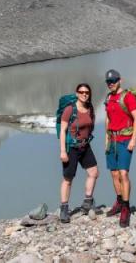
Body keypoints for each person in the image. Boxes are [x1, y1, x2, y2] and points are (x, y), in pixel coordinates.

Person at [103, 68, 136, 227]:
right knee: (114, 173)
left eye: (113, 81)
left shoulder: (128, 97)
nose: (111, 84)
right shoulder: (109, 98)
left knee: (123, 173)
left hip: (125, 139)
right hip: (112, 139)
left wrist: (133, 139)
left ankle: (125, 207)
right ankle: (118, 201)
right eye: (108, 82)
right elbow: (108, 118)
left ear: (120, 80)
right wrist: (106, 137)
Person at [59, 83, 98, 223]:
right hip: (72, 148)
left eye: (87, 92)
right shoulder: (70, 110)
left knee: (93, 172)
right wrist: (63, 151)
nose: (84, 94)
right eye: (81, 92)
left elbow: (90, 126)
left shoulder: (90, 108)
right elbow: (63, 130)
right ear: (77, 93)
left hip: (85, 146)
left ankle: (87, 202)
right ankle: (64, 208)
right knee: (68, 179)